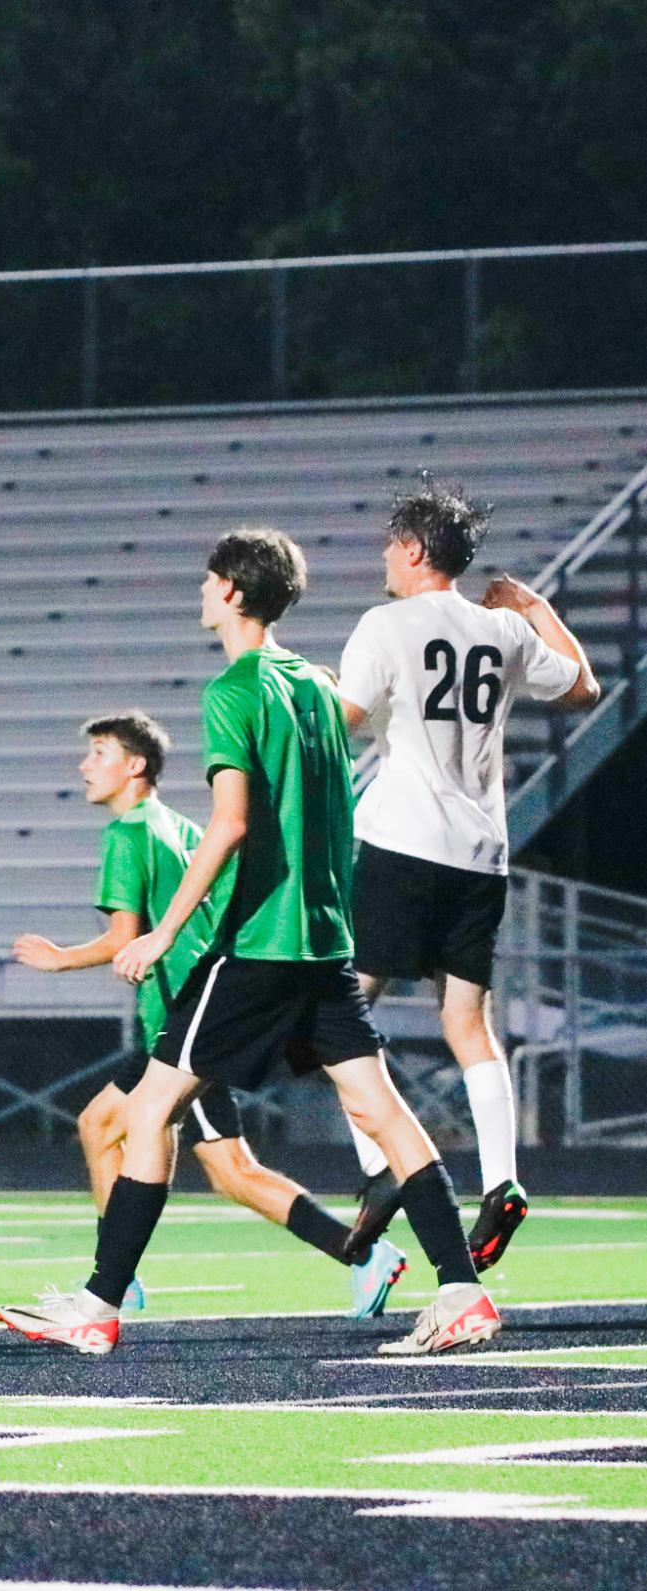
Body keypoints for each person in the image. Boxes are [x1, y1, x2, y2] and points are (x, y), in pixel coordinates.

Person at [0, 528, 499, 1358]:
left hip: (257, 944)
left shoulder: (234, 689)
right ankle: (460, 1290)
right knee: (383, 1111)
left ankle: (97, 1303)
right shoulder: (318, 684)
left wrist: (163, 930)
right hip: (324, 943)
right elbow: (336, 801)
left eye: (205, 581)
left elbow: (229, 823)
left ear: (232, 589)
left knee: (148, 1109)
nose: (199, 592)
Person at [14, 712, 407, 1319]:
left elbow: (124, 936)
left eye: (98, 752)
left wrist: (60, 959)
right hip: (200, 1007)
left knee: (231, 1171)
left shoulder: (126, 835)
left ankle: (357, 1254)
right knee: (101, 1125)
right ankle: (119, 1272)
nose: (84, 765)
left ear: (134, 766)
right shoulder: (179, 827)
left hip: (189, 1017)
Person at [334, 486, 599, 1273]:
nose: (383, 555)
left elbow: (340, 723)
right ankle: (502, 1180)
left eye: (390, 542)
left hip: (398, 844)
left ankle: (385, 1170)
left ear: (415, 549)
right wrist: (536, 605)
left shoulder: (384, 625)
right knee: (467, 1024)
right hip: (480, 854)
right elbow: (584, 686)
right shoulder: (501, 628)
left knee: (337, 1014)